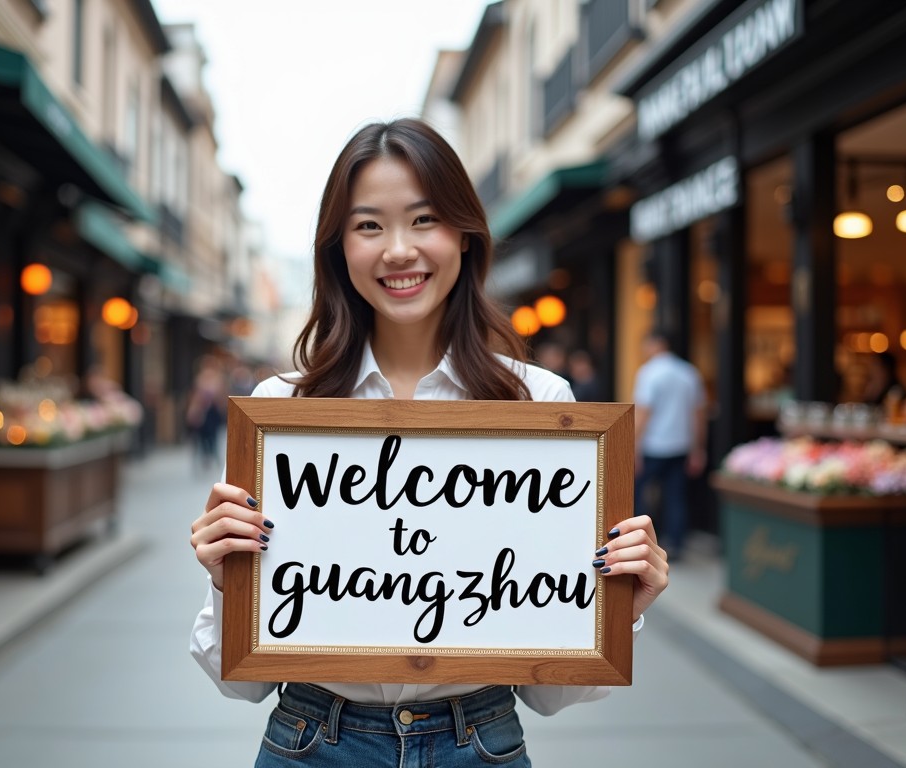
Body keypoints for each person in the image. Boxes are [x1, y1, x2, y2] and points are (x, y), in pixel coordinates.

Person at [189, 118, 669, 767]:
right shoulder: (281, 413)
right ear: (337, 249)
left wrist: (618, 609)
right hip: (310, 742)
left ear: (466, 237)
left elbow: (556, 696)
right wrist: (228, 583)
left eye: (423, 220)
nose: (397, 250)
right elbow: (241, 683)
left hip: (481, 744)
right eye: (368, 226)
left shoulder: (540, 406)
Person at [632, 330, 707, 561]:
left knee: (638, 494)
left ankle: (638, 540)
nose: (644, 350)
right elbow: (698, 414)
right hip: (680, 445)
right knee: (676, 497)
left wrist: (633, 447)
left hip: (654, 445)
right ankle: (675, 543)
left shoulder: (649, 372)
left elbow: (643, 413)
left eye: (646, 344)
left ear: (657, 344)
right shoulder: (688, 372)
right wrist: (698, 448)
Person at [186, 355, 226, 472]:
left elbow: (222, 396)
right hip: (203, 411)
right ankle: (206, 455)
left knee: (213, 435)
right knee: (203, 435)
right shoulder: (200, 379)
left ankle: (212, 453)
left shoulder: (218, 379)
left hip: (213, 412)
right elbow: (195, 396)